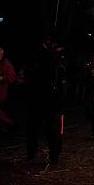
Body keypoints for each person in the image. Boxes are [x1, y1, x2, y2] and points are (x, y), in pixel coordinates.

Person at [26, 36, 65, 165]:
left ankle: (47, 156)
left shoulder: (55, 66)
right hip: (44, 100)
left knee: (45, 129)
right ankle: (35, 154)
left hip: (47, 100)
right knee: (41, 129)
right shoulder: (44, 63)